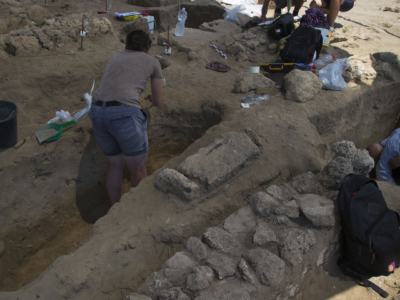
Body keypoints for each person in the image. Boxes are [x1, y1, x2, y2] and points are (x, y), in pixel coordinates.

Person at [89, 29, 163, 205]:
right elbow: (158, 101)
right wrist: (152, 98)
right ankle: (135, 213)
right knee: (137, 168)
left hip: (97, 112)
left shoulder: (115, 58)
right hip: (124, 114)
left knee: (115, 164)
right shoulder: (152, 61)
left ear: (127, 45)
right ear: (147, 47)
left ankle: (115, 209)